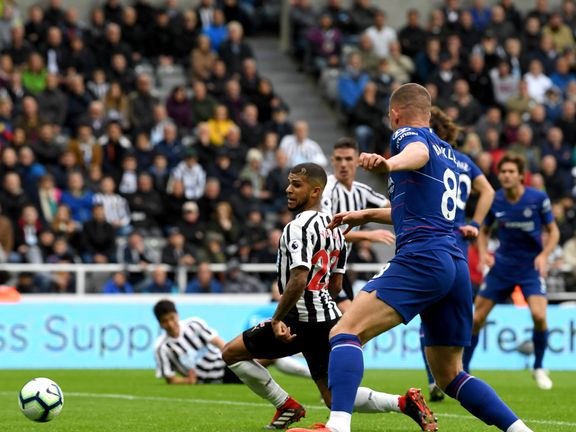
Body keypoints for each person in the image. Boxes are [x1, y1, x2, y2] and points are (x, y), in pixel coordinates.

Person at [304, 83, 533, 432]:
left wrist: (387, 163)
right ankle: (521, 430)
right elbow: (417, 209)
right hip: (454, 263)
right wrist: (364, 214)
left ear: (396, 114)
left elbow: (416, 153)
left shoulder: (407, 135)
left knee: (345, 331)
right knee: (450, 375)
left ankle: (337, 426)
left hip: (422, 256)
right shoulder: (454, 158)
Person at [221, 163, 434, 431]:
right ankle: (403, 403)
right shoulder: (337, 228)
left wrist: (277, 319)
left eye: (296, 185)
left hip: (299, 320)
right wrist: (320, 303)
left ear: (315, 191)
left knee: (231, 354)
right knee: (336, 399)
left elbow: (298, 278)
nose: (288, 189)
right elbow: (336, 283)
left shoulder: (296, 228)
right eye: (289, 183)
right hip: (328, 320)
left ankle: (285, 404)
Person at [416, 106, 495, 402]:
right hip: (459, 244)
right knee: (458, 313)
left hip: (433, 239)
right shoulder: (463, 161)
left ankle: (435, 378)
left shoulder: (430, 157)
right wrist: (474, 223)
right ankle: (457, 372)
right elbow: (488, 191)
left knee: (429, 313)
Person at [463, 153, 560, 390]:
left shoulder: (537, 198)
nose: (505, 175)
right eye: (502, 172)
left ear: (520, 176)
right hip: (502, 268)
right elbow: (483, 231)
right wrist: (484, 254)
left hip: (529, 268)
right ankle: (463, 370)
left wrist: (543, 255)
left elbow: (554, 231)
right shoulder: (495, 199)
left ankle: (538, 366)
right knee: (476, 319)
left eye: (510, 172)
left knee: (539, 316)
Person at [152, 300, 312, 389]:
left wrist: (233, 355)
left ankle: (315, 376)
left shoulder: (193, 324)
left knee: (270, 355)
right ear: (160, 324)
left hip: (225, 363)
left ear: (177, 315)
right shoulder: (162, 347)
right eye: (165, 321)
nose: (171, 324)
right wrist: (187, 381)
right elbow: (170, 379)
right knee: (272, 357)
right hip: (216, 376)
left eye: (172, 318)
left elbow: (218, 342)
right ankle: (315, 377)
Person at [321, 137, 392, 312]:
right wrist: (367, 235)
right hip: (321, 266)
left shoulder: (362, 191)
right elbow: (326, 232)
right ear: (332, 161)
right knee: (348, 317)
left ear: (358, 161)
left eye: (348, 159)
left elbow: (394, 209)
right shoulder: (327, 189)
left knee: (341, 325)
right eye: (339, 159)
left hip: (338, 268)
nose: (343, 164)